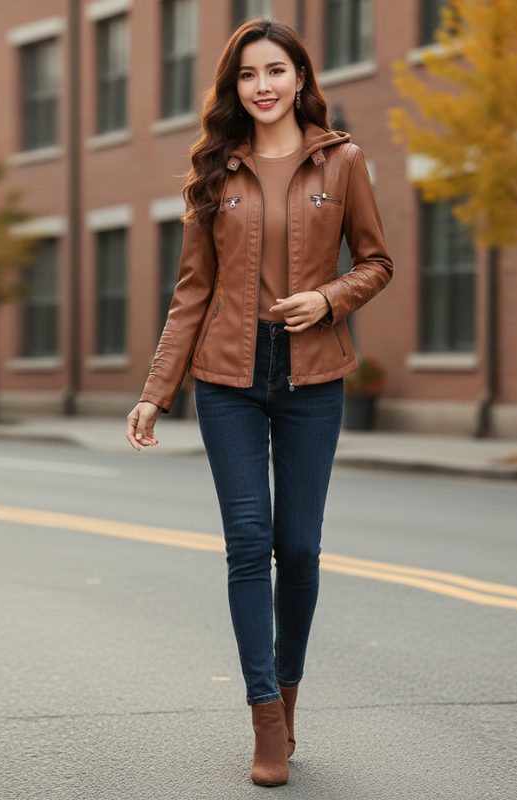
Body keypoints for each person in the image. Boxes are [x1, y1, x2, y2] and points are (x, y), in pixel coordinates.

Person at [126, 17, 392, 787]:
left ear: (301, 78)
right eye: (248, 75)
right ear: (233, 87)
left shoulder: (342, 163)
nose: (263, 86)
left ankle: (291, 688)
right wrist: (155, 391)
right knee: (248, 543)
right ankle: (265, 719)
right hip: (227, 377)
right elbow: (191, 292)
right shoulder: (216, 169)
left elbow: (378, 260)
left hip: (312, 374)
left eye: (276, 70)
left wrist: (330, 299)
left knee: (299, 548)